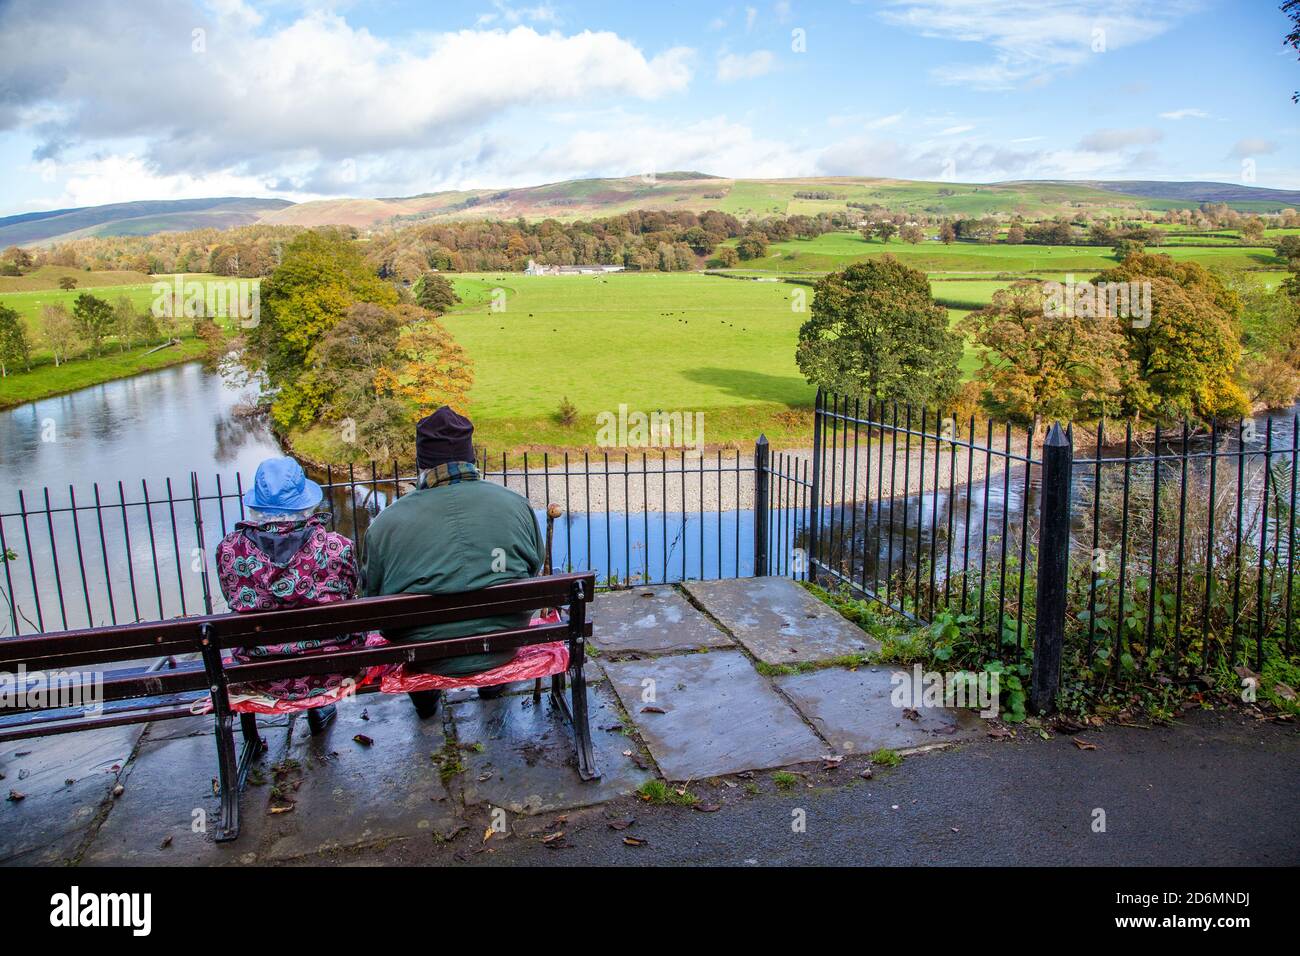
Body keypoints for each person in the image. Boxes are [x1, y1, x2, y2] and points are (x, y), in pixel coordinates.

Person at [363, 406, 544, 718]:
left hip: (424, 654)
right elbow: (534, 567)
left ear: (421, 462)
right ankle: (491, 685)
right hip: (502, 643)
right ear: (470, 456)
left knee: (418, 629)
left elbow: (372, 598)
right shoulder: (516, 506)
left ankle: (425, 702)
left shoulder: (384, 524)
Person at [215, 457, 371, 734]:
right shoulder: (337, 547)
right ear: (304, 503)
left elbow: (233, 600)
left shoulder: (229, 551)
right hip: (335, 668)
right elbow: (350, 595)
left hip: (260, 673)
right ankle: (319, 705)